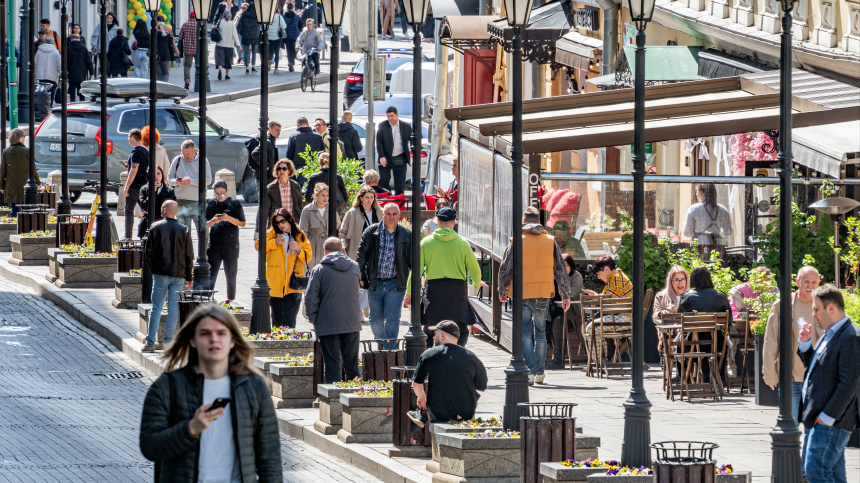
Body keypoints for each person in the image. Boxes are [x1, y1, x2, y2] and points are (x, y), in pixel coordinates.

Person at [139, 304, 283, 482]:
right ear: (193, 340)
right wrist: (191, 428)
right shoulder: (167, 387)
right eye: (205, 333)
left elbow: (270, 459)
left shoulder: (253, 387)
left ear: (232, 341)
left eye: (221, 333)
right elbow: (149, 446)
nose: (214, 339)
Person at [498, 206, 571, 384]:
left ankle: (530, 371)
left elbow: (505, 268)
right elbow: (560, 268)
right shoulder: (549, 240)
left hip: (521, 292)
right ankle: (540, 372)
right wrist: (565, 294)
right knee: (540, 333)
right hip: (543, 292)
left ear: (524, 221)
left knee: (524, 333)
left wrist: (502, 290)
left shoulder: (516, 241)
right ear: (539, 222)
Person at [798, 285, 860, 483]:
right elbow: (819, 371)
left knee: (816, 471)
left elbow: (848, 384)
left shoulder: (850, 337)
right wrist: (806, 345)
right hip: (821, 419)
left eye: (816, 309)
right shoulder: (831, 333)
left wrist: (827, 417)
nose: (814, 315)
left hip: (831, 421)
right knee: (833, 474)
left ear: (831, 309)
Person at [406, 207, 482, 347]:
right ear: (454, 222)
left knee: (430, 330)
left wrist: (409, 292)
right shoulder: (462, 243)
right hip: (457, 292)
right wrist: (477, 283)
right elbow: (475, 269)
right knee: (461, 330)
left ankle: (430, 358)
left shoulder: (426, 243)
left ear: (438, 222)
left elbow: (415, 270)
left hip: (434, 293)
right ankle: (457, 355)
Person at [762, 266, 822, 423]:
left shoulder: (825, 306)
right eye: (806, 282)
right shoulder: (782, 305)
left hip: (819, 379)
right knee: (790, 425)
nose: (810, 286)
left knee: (816, 431)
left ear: (819, 283)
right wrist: (769, 373)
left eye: (814, 282)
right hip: (791, 378)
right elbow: (771, 341)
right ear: (797, 282)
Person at [408, 321, 488, 429]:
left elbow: (416, 384)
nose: (433, 337)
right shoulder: (471, 356)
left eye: (435, 334)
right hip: (466, 413)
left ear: (442, 335)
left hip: (439, 414)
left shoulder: (429, 354)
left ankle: (422, 415)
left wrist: (422, 397)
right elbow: (482, 387)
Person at [305, 237, 362, 383]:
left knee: (331, 366)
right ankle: (355, 398)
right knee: (352, 366)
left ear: (325, 251)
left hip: (327, 324)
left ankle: (334, 401)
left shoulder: (319, 270)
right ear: (342, 250)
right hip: (352, 322)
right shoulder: (354, 266)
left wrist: (314, 319)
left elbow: (311, 298)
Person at [142, 200, 194, 352]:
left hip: (160, 273)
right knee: (173, 308)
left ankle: (150, 342)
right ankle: (168, 342)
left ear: (164, 210)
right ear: (176, 211)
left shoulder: (155, 227)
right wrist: (189, 276)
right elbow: (189, 255)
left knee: (156, 307)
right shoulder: (183, 229)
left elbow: (148, 252)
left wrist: (154, 268)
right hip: (178, 273)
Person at [357, 203, 411, 344]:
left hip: (395, 282)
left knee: (393, 317)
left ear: (399, 216)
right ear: (383, 215)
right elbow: (361, 255)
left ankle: (391, 350)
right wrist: (361, 276)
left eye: (394, 214)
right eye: (388, 214)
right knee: (375, 319)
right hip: (375, 281)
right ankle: (381, 345)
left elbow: (412, 261)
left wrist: (411, 284)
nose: (391, 217)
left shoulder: (406, 234)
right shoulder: (371, 232)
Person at [257, 208, 311, 328]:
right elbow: (258, 245)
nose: (280, 225)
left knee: (290, 319)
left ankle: (289, 343)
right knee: (276, 319)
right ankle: (278, 344)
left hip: (293, 284)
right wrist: (274, 243)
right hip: (275, 283)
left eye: (283, 221)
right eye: (277, 222)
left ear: (289, 220)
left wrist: (298, 250)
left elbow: (308, 257)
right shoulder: (271, 233)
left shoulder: (299, 235)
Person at [677, 266, 732, 384]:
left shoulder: (686, 296)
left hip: (691, 343)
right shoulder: (720, 296)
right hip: (717, 343)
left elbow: (679, 319)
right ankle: (719, 380)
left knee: (678, 344)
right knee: (723, 344)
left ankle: (685, 380)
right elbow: (730, 321)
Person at [340, 186, 383, 322]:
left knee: (371, 282)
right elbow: (343, 231)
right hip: (357, 250)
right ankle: (356, 311)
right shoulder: (353, 213)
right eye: (367, 197)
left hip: (375, 251)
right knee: (357, 282)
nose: (369, 200)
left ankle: (368, 310)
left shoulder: (379, 212)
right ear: (361, 198)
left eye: (372, 197)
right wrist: (342, 245)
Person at [582, 256, 634, 359]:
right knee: (587, 325)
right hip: (622, 316)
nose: (599, 277)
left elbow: (608, 301)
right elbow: (608, 298)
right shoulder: (615, 277)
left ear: (606, 269)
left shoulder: (615, 278)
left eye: (599, 274)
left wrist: (596, 298)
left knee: (592, 327)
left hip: (625, 318)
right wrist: (596, 296)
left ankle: (599, 361)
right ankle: (598, 361)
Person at [206, 180, 246, 300]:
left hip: (231, 243)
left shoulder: (234, 203)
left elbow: (242, 223)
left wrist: (228, 218)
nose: (219, 196)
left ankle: (231, 299)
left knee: (231, 273)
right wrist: (214, 220)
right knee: (211, 272)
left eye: (222, 193)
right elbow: (207, 224)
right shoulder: (212, 204)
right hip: (214, 243)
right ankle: (208, 297)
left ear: (227, 191)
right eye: (217, 193)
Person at [168, 140, 213, 242]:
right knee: (183, 233)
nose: (186, 156)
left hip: (198, 201)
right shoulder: (177, 160)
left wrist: (191, 182)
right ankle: (186, 256)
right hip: (181, 201)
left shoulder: (203, 160)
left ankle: (204, 256)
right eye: (184, 153)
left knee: (203, 232)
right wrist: (176, 182)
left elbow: (208, 180)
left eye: (188, 153)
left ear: (194, 150)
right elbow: (169, 180)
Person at [547, 254, 584, 370]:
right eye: (560, 266)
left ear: (571, 266)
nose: (562, 268)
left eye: (566, 265)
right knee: (538, 324)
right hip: (552, 313)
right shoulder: (551, 278)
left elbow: (571, 296)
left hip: (572, 316)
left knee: (558, 322)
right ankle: (539, 361)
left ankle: (558, 359)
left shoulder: (576, 277)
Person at [299, 183, 340, 269]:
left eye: (327, 195)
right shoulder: (307, 210)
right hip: (313, 243)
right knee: (313, 269)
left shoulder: (331, 208)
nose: (326, 198)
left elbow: (338, 226)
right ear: (316, 195)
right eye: (323, 195)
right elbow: (303, 231)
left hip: (329, 243)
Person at [0, 129, 39, 216]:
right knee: (26, 207)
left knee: (14, 207)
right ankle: (23, 225)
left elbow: (2, 171)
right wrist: (38, 182)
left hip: (11, 183)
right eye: (23, 136)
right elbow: (33, 168)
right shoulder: (27, 151)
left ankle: (15, 222)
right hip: (25, 183)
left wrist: (1, 186)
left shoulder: (6, 151)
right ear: (20, 138)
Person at [375, 106, 412, 195]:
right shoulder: (382, 125)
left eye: (392, 116)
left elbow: (413, 140)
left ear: (397, 115)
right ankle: (387, 199)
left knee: (400, 183)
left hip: (400, 157)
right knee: (383, 181)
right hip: (386, 157)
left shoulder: (406, 126)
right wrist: (381, 156)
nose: (390, 118)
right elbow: (379, 142)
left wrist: (412, 154)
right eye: (388, 116)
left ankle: (399, 202)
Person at [682, 183, 733, 247]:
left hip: (699, 248)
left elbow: (687, 233)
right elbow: (728, 232)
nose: (696, 195)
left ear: (701, 193)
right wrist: (717, 231)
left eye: (696, 192)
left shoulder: (694, 209)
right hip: (716, 249)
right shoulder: (723, 210)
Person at [122, 129, 149, 239]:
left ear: (133, 137)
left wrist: (127, 186)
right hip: (144, 185)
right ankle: (147, 234)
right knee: (146, 211)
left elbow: (134, 170)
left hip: (135, 186)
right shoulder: (146, 151)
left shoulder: (135, 153)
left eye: (129, 137)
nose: (128, 139)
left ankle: (128, 236)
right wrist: (128, 166)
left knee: (128, 211)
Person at [138, 165, 176, 239]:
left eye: (158, 173)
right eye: (153, 174)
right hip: (147, 223)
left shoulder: (169, 190)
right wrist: (153, 192)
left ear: (162, 175)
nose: (156, 176)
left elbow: (172, 208)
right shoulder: (144, 189)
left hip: (164, 224)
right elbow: (144, 206)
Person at [265, 159, 304, 229]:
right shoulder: (271, 188)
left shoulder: (296, 186)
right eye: (279, 169)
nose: (281, 171)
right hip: (277, 224)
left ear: (289, 170)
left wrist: (300, 223)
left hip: (293, 223)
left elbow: (300, 207)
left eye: (284, 168)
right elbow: (266, 210)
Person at [250, 120, 281, 186]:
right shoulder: (267, 141)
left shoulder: (271, 141)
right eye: (276, 130)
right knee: (263, 195)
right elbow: (255, 153)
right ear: (269, 130)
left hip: (267, 176)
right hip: (264, 176)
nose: (279, 132)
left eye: (279, 130)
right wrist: (265, 165)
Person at [214, 10, 242, 80]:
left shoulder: (220, 22)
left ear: (223, 15)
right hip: (229, 45)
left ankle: (220, 70)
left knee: (220, 58)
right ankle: (227, 75)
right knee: (228, 60)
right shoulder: (232, 23)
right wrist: (238, 45)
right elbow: (235, 35)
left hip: (220, 43)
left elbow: (216, 31)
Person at [34, 36, 61, 105]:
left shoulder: (39, 51)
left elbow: (35, 62)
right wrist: (60, 72)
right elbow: (59, 64)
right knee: (52, 90)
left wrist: (34, 71)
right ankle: (50, 104)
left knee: (42, 91)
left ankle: (42, 104)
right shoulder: (56, 52)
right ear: (52, 42)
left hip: (41, 75)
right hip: (52, 75)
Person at [237, 1, 261, 74]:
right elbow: (258, 26)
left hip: (246, 35)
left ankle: (247, 67)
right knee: (254, 52)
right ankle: (253, 66)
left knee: (246, 52)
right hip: (254, 36)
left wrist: (242, 33)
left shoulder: (244, 15)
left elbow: (239, 27)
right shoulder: (256, 16)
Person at [66, 34, 92, 101]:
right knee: (81, 89)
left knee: (72, 89)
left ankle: (72, 102)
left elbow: (65, 61)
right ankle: (82, 102)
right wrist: (91, 72)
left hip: (71, 72)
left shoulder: (68, 49)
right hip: (82, 72)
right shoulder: (84, 49)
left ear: (71, 39)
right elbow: (88, 61)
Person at [178, 12, 199, 90]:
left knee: (187, 66)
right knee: (199, 66)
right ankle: (198, 81)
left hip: (187, 48)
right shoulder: (198, 25)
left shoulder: (185, 24)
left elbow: (180, 36)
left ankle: (187, 80)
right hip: (197, 49)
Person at [267, 4, 286, 74]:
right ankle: (276, 68)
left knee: (270, 51)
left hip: (269, 36)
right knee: (277, 52)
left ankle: (269, 60)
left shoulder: (268, 16)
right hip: (277, 37)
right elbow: (284, 26)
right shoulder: (279, 17)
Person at [282, 2, 301, 71]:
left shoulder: (283, 17)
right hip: (295, 35)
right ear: (293, 8)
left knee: (288, 49)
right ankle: (291, 61)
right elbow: (300, 26)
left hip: (286, 36)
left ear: (287, 8)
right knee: (295, 49)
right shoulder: (297, 16)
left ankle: (290, 62)